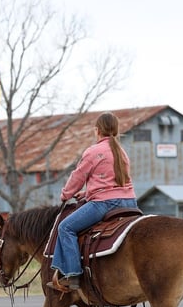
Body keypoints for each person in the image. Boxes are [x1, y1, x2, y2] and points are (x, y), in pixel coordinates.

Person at [48, 112, 138, 292]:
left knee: (65, 227)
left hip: (105, 204)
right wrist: (88, 193)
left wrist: (66, 194)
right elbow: (112, 182)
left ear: (97, 130)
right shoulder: (122, 152)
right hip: (130, 202)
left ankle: (72, 274)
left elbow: (78, 176)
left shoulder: (94, 151)